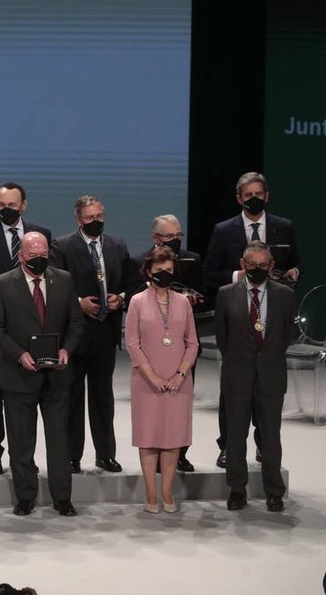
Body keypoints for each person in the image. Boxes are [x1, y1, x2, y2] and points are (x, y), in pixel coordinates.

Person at [203, 172, 301, 468]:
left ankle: (263, 444)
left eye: (259, 193)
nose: (254, 199)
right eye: (248, 195)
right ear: (239, 198)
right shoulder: (224, 230)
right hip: (238, 314)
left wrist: (294, 273)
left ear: (267, 195)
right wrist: (239, 278)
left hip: (270, 313)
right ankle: (228, 446)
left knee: (266, 390)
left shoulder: (284, 227)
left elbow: (297, 262)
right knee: (233, 390)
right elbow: (209, 272)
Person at [0, 232, 83, 517]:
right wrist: (19, 354)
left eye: (43, 255)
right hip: (18, 375)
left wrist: (66, 350)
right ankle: (25, 496)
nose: (39, 259)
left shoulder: (63, 279)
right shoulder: (2, 284)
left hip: (57, 375)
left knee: (59, 440)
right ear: (21, 256)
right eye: (33, 255)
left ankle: (62, 497)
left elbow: (75, 321)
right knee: (20, 440)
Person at [0, 183, 52, 475]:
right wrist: (4, 308)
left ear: (24, 205)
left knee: (26, 394)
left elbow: (46, 277)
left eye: (12, 204)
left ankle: (23, 456)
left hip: (31, 329)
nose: (6, 209)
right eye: (1, 204)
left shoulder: (41, 235)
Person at [49, 195, 138, 474]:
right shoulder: (61, 247)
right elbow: (54, 287)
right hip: (75, 335)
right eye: (90, 218)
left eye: (100, 216)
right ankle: (72, 456)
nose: (96, 221)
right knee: (73, 397)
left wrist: (121, 298)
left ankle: (105, 454)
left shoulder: (116, 245)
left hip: (104, 332)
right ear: (79, 220)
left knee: (102, 396)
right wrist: (78, 303)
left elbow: (130, 282)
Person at [215, 241, 296, 512]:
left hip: (271, 376)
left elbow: (286, 336)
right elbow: (222, 338)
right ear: (243, 265)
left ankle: (275, 492)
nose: (258, 269)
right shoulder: (226, 294)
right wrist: (242, 361)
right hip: (237, 376)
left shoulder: (284, 295)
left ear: (271, 266)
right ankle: (237, 490)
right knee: (236, 437)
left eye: (264, 265)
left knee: (271, 437)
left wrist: (265, 360)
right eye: (253, 265)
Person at [125, 248, 198, 513]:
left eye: (169, 271)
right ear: (148, 273)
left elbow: (192, 343)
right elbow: (132, 343)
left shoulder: (183, 302)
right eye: (159, 272)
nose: (164, 276)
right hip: (146, 381)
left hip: (179, 381)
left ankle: (167, 491)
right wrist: (152, 376)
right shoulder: (137, 302)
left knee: (172, 437)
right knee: (150, 436)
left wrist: (180, 374)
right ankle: (150, 493)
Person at [130, 213, 204, 473]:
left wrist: (194, 300)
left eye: (178, 236)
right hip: (151, 354)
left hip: (181, 347)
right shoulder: (138, 264)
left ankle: (179, 455)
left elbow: (203, 295)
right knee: (152, 413)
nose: (174, 241)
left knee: (177, 408)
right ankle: (155, 461)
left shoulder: (192, 261)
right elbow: (132, 339)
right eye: (169, 236)